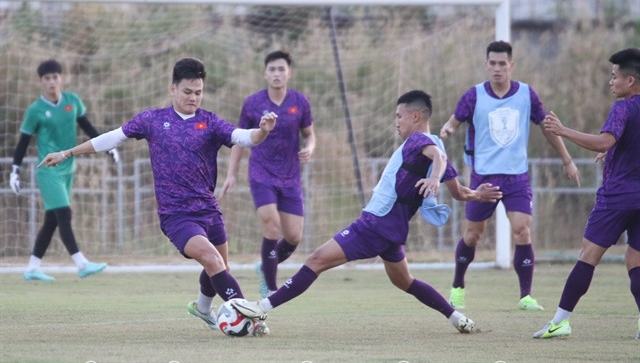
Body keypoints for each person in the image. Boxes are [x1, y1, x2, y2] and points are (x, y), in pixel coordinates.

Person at [38, 57, 278, 336]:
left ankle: (202, 308)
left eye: (198, 92)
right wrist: (67, 152)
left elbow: (244, 137)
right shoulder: (152, 120)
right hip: (176, 215)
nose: (193, 97)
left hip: (208, 210)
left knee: (220, 266)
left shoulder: (210, 122)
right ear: (172, 89)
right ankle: (249, 317)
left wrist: (262, 131)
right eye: (187, 92)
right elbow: (111, 138)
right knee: (213, 261)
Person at [232, 90, 503, 334]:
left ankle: (261, 306)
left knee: (316, 260)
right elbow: (458, 192)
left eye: (399, 116)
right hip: (392, 230)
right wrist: (478, 194)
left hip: (375, 224)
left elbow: (440, 161)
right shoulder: (433, 146)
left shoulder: (418, 140)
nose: (396, 121)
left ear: (416, 116)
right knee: (405, 281)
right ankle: (456, 318)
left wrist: (434, 179)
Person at [439, 40, 581, 311]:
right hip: (483, 179)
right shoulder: (473, 95)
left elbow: (547, 127)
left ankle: (525, 296)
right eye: (492, 63)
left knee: (522, 231)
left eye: (502, 63)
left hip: (517, 178)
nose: (497, 69)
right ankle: (457, 287)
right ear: (486, 65)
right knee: (472, 236)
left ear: (511, 66)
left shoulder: (527, 95)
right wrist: (447, 129)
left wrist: (567, 159)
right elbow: (453, 121)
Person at [533, 47, 640, 339]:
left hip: (618, 196)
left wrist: (563, 130)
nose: (610, 81)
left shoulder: (623, 107)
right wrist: (617, 153)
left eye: (614, 76)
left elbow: (605, 141)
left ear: (630, 81)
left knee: (588, 256)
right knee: (636, 260)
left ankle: (560, 322)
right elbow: (622, 144)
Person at [9, 59, 119, 281]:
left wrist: (108, 147)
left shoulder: (72, 101)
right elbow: (23, 141)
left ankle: (32, 268)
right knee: (64, 214)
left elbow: (87, 127)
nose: (52, 81)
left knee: (52, 220)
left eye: (55, 76)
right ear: (41, 82)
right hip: (48, 168)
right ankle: (82, 264)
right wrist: (14, 170)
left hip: (69, 167)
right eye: (47, 78)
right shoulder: (35, 110)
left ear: (61, 78)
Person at [221, 50, 315, 298]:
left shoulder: (300, 102)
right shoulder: (252, 103)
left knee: (293, 237)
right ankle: (270, 289)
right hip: (261, 174)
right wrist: (231, 174)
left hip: (291, 177)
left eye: (281, 69)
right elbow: (240, 140)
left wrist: (310, 148)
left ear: (289, 73)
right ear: (265, 73)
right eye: (272, 69)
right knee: (271, 226)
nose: (276, 73)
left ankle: (265, 265)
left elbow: (309, 134)